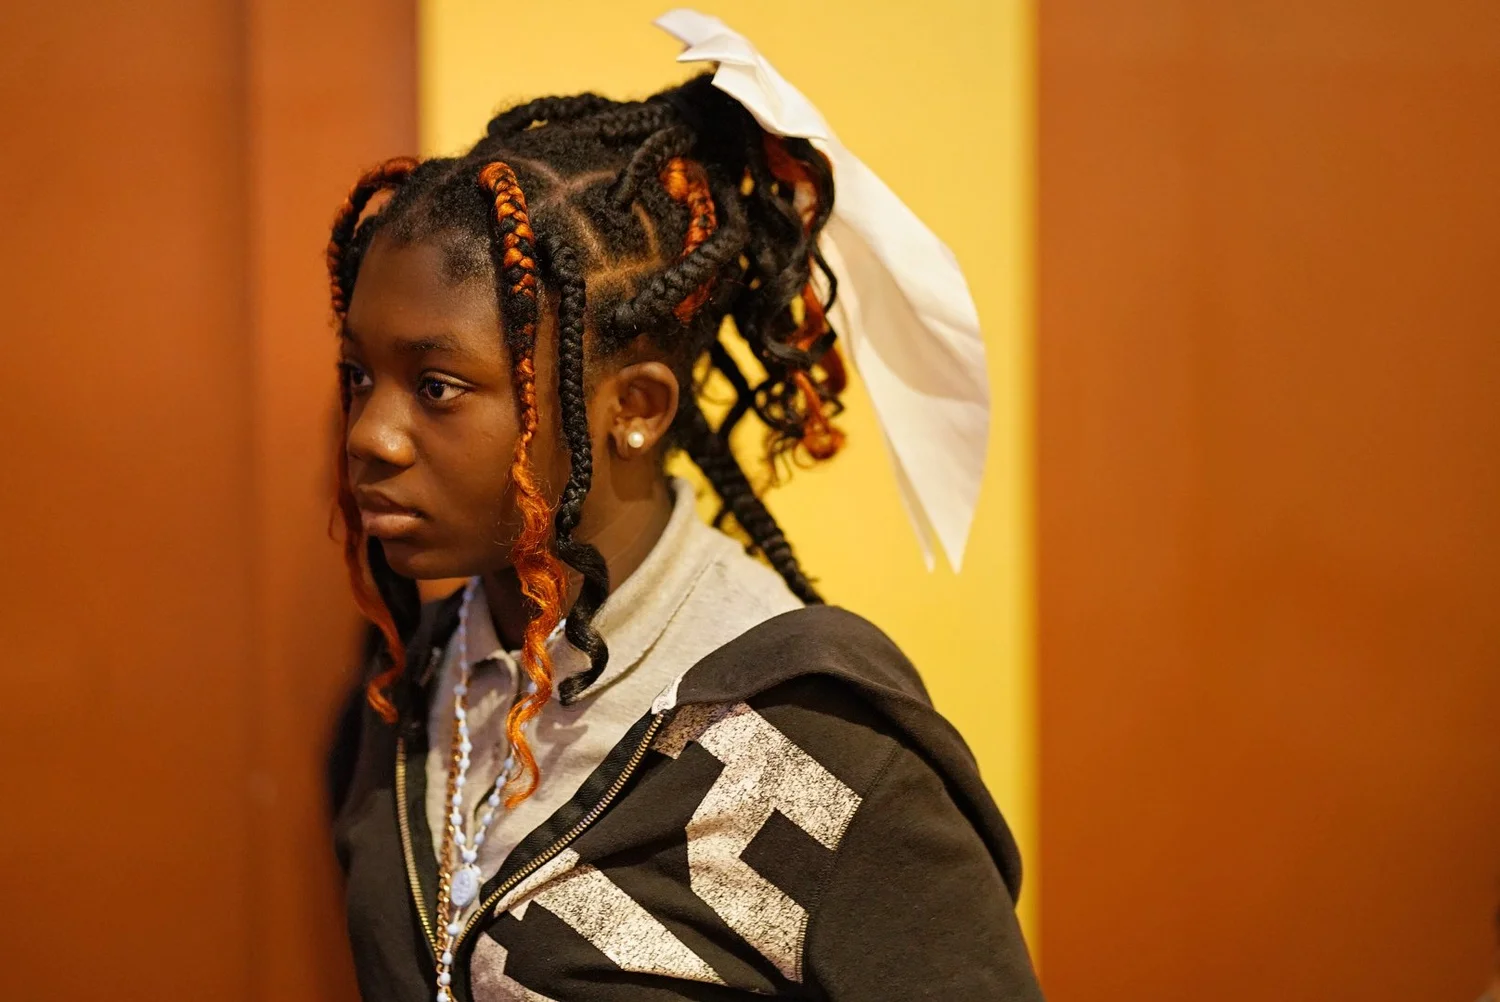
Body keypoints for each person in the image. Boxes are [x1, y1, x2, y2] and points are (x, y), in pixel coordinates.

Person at [326, 17, 1042, 1002]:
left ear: (637, 409)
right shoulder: (407, 692)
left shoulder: (820, 739)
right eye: (360, 374)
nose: (372, 434)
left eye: (439, 386)